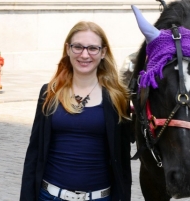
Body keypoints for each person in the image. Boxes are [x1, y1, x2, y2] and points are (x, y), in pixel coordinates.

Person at [20, 21, 132, 201]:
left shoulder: (117, 98)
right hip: (49, 196)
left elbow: (123, 162)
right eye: (78, 47)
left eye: (92, 48)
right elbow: (34, 153)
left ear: (103, 52)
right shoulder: (49, 93)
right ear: (68, 49)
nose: (84, 54)